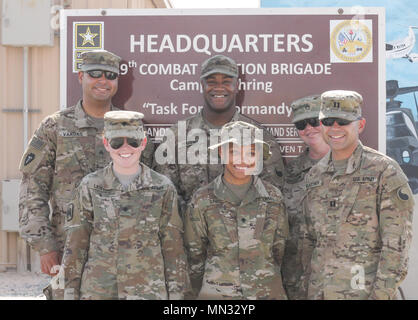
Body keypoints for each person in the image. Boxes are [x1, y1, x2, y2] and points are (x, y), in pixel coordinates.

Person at [18, 50, 153, 299]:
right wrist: (44, 246)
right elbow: (32, 189)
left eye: (110, 76)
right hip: (68, 251)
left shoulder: (132, 129)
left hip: (124, 254)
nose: (103, 81)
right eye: (94, 74)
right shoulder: (54, 127)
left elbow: (151, 190)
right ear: (81, 77)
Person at [61, 110, 191, 300]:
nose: (125, 148)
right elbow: (75, 247)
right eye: (116, 142)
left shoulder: (162, 188)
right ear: (106, 144)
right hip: (99, 291)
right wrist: (67, 294)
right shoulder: (90, 186)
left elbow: (173, 252)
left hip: (148, 292)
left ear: (143, 143)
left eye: (133, 141)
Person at [302, 90, 414, 300]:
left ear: (360, 125)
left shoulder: (384, 171)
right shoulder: (315, 176)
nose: (335, 128)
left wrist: (379, 296)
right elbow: (310, 241)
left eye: (343, 121)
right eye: (328, 121)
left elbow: (396, 246)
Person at [154, 54, 285, 214]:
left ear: (237, 86)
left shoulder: (260, 137)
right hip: (191, 233)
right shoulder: (177, 136)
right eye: (211, 82)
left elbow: (272, 196)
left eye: (227, 82)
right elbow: (165, 195)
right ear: (202, 85)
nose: (219, 87)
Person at [184, 121, 289, 300]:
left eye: (251, 153)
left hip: (265, 293)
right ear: (221, 152)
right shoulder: (203, 199)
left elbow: (279, 250)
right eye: (234, 152)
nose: (243, 160)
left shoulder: (273, 197)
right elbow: (195, 255)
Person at [281, 95, 330, 299]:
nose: (308, 128)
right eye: (301, 124)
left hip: (341, 284)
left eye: (314, 121)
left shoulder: (357, 168)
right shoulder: (290, 174)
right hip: (297, 284)